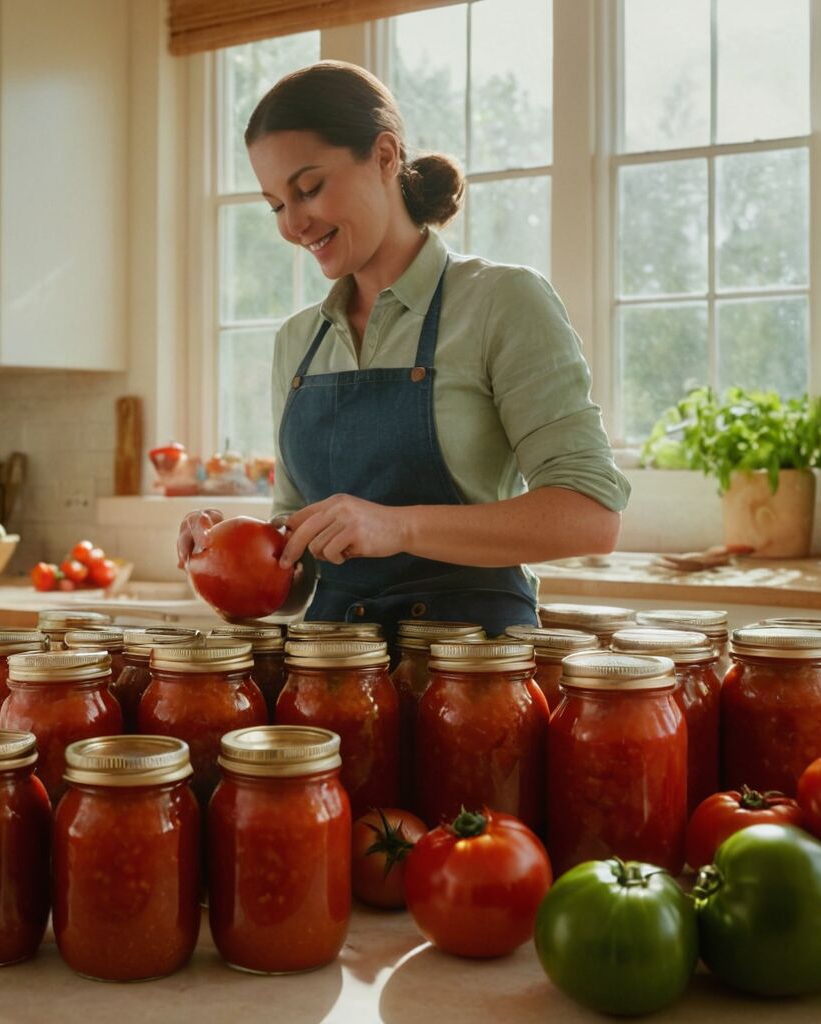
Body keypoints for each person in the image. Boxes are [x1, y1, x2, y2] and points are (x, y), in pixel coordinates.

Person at [177, 60, 629, 646]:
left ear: (386, 156)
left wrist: (398, 526)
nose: (292, 224)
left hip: (472, 674)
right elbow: (296, 572)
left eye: (308, 188)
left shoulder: (501, 302)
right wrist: (224, 554)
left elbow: (591, 516)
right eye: (275, 205)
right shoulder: (297, 341)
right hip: (333, 676)